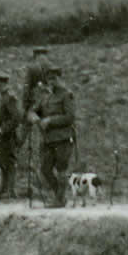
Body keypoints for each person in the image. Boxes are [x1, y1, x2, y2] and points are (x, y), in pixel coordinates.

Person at [32, 67, 78, 206]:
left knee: (61, 169)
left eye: (54, 78)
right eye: (49, 79)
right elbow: (34, 111)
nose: (51, 82)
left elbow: (70, 117)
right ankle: (60, 196)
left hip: (62, 138)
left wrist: (50, 120)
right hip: (48, 139)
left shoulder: (66, 95)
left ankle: (59, 199)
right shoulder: (45, 96)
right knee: (45, 169)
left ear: (60, 79)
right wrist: (34, 117)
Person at [0, 68, 26, 199]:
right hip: (2, 136)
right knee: (2, 162)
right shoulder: (4, 96)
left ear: (1, 83)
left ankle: (11, 191)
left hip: (8, 136)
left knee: (9, 163)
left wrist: (2, 129)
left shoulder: (10, 97)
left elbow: (16, 117)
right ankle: (3, 188)